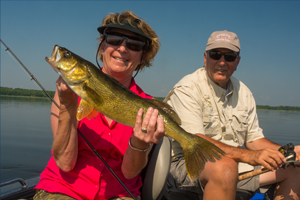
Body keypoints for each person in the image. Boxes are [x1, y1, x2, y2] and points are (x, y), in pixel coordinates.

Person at [33, 10, 165, 200]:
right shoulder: (68, 92)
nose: (122, 48)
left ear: (142, 58)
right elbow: (65, 163)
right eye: (113, 39)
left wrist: (140, 142)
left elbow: (129, 173)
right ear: (102, 46)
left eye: (134, 45)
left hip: (118, 193)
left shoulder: (149, 108)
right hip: (63, 189)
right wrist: (68, 105)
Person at [164, 30, 300, 200]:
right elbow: (196, 142)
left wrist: (288, 152)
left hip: (232, 166)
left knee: (294, 168)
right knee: (225, 167)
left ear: (237, 62)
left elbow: (253, 140)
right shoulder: (187, 89)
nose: (222, 62)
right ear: (205, 58)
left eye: (229, 57)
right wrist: (250, 156)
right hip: (187, 165)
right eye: (216, 55)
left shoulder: (244, 92)